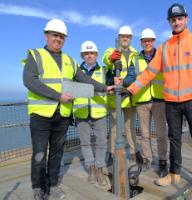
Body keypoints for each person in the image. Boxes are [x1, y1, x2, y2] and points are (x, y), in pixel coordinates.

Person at [126, 4, 192, 199]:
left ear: (186, 19)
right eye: (173, 20)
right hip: (172, 102)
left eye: (179, 18)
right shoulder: (165, 47)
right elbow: (150, 72)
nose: (176, 22)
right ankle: (174, 174)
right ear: (169, 22)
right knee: (174, 140)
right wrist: (131, 89)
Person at [22, 19, 114, 200]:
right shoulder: (36, 55)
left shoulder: (69, 61)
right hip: (41, 115)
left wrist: (105, 88)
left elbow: (85, 79)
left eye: (62, 37)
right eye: (55, 35)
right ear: (46, 36)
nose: (58, 39)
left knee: (57, 152)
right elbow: (29, 81)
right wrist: (58, 96)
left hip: (62, 114)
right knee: (40, 152)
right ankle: (38, 188)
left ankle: (53, 185)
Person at [102, 25, 142, 163]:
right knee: (114, 128)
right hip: (115, 98)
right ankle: (111, 154)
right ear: (118, 38)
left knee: (130, 127)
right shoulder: (111, 50)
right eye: (122, 36)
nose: (125, 39)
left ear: (130, 39)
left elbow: (134, 74)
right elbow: (106, 58)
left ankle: (134, 152)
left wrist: (123, 82)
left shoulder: (135, 54)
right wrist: (111, 59)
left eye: (127, 36)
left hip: (129, 97)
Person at [73, 41, 109, 187]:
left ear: (96, 55)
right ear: (82, 55)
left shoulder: (105, 71)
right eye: (86, 53)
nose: (89, 56)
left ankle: (99, 168)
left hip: (99, 112)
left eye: (92, 53)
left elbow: (111, 85)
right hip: (81, 112)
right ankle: (91, 169)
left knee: (101, 143)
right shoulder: (75, 72)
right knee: (85, 143)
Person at [134, 28, 168, 177]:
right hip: (142, 100)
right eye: (144, 40)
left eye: (149, 40)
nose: (147, 43)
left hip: (159, 99)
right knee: (144, 134)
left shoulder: (161, 56)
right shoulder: (135, 59)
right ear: (141, 42)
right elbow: (130, 77)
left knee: (161, 133)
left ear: (154, 41)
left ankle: (162, 161)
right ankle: (147, 159)